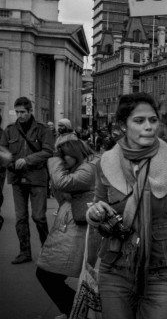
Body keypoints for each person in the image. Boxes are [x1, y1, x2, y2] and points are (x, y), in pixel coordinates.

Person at [86, 92, 167, 319]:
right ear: (122, 125)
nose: (148, 127)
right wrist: (94, 214)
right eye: (139, 121)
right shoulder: (105, 163)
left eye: (153, 120)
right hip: (114, 267)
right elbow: (98, 209)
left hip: (162, 269)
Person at [36, 136, 98, 318]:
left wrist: (54, 159)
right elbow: (61, 195)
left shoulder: (90, 167)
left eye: (65, 157)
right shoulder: (80, 166)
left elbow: (62, 184)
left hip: (77, 232)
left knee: (47, 275)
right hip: (69, 228)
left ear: (75, 153)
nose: (62, 161)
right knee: (48, 275)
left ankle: (77, 312)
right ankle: (73, 311)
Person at [0, 96, 54, 264]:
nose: (19, 115)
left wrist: (28, 159)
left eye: (23, 112)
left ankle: (47, 251)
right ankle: (24, 252)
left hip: (37, 177)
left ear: (30, 111)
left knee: (39, 217)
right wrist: (8, 161)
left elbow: (48, 151)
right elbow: (2, 151)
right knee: (21, 217)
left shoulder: (42, 129)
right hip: (17, 178)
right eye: (17, 112)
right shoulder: (10, 130)